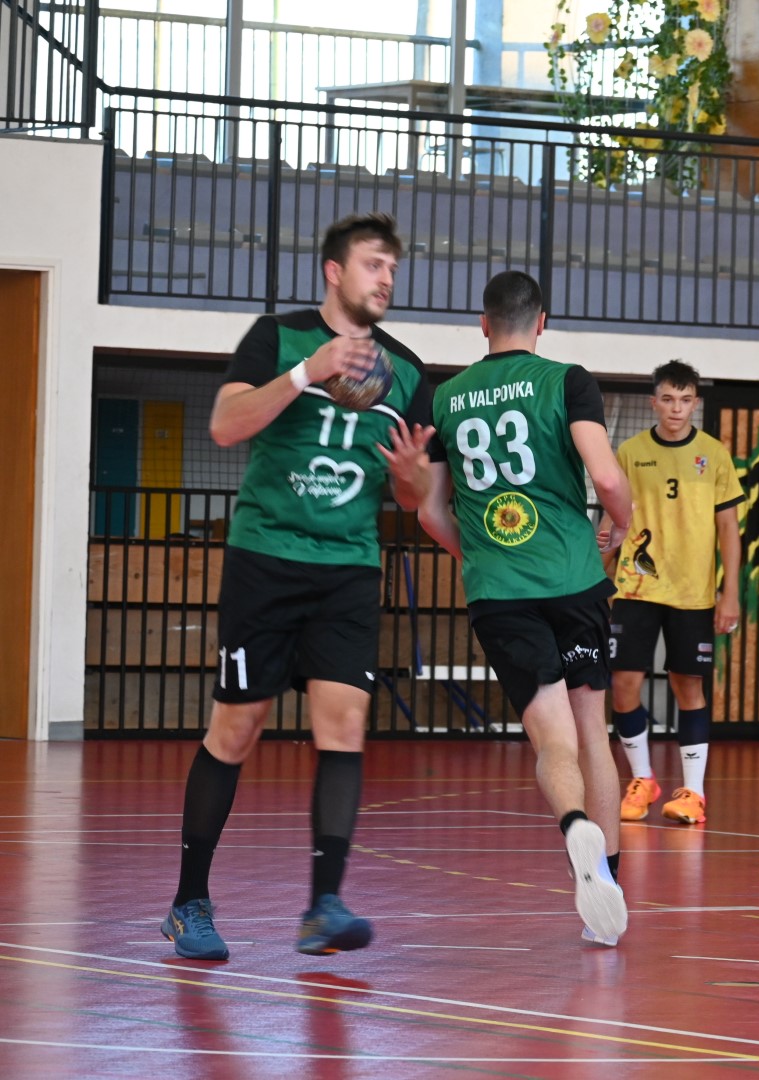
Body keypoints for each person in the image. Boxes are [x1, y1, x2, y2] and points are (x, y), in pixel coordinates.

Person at [160, 212, 431, 961]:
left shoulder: (408, 373)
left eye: (392, 268)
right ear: (334, 272)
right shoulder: (276, 338)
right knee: (237, 729)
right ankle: (188, 903)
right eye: (373, 264)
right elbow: (224, 426)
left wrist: (412, 479)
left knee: (344, 728)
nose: (386, 278)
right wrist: (308, 372)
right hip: (267, 561)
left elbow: (414, 497)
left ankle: (324, 906)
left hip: (350, 568)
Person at [390, 269, 632, 946]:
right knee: (592, 733)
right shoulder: (568, 381)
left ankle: (573, 826)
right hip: (573, 578)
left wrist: (478, 557)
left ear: (483, 323)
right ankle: (608, 881)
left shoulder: (446, 399)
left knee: (551, 740)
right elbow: (606, 475)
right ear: (542, 322)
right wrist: (622, 522)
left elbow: (430, 512)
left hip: (500, 592)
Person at [604, 360, 744, 825]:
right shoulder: (630, 451)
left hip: (693, 593)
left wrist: (730, 594)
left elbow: (729, 528)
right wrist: (598, 574)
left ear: (696, 404)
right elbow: (614, 519)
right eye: (667, 399)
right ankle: (642, 779)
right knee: (623, 684)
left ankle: (693, 793)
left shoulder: (714, 455)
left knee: (688, 686)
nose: (676, 408)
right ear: (654, 403)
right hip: (636, 587)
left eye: (685, 400)